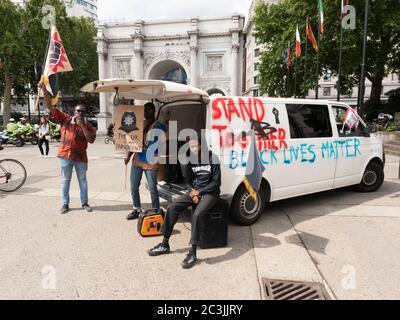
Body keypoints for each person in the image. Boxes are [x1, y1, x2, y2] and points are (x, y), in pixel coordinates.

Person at [148, 138, 221, 269]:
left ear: (202, 146)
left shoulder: (213, 158)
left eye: (196, 146)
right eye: (191, 147)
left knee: (197, 215)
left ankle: (193, 253)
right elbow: (187, 181)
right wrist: (191, 191)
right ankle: (165, 244)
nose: (193, 149)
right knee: (172, 207)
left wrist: (199, 192)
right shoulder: (191, 160)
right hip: (194, 191)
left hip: (210, 193)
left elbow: (216, 183)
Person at [39, 83, 96, 214]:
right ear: (74, 112)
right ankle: (65, 204)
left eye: (82, 111)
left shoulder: (89, 126)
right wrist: (44, 91)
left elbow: (91, 140)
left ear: (84, 114)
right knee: (65, 180)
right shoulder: (65, 119)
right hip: (66, 155)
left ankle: (84, 202)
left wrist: (82, 125)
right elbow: (50, 107)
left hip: (81, 157)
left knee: (83, 181)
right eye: (78, 111)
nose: (79, 113)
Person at [125, 102, 167, 220]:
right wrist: (128, 156)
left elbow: (165, 143)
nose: (146, 113)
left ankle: (156, 211)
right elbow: (133, 141)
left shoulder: (160, 126)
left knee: (153, 188)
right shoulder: (140, 124)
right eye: (144, 110)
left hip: (151, 160)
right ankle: (136, 209)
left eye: (148, 110)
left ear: (153, 111)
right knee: (133, 186)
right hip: (138, 159)